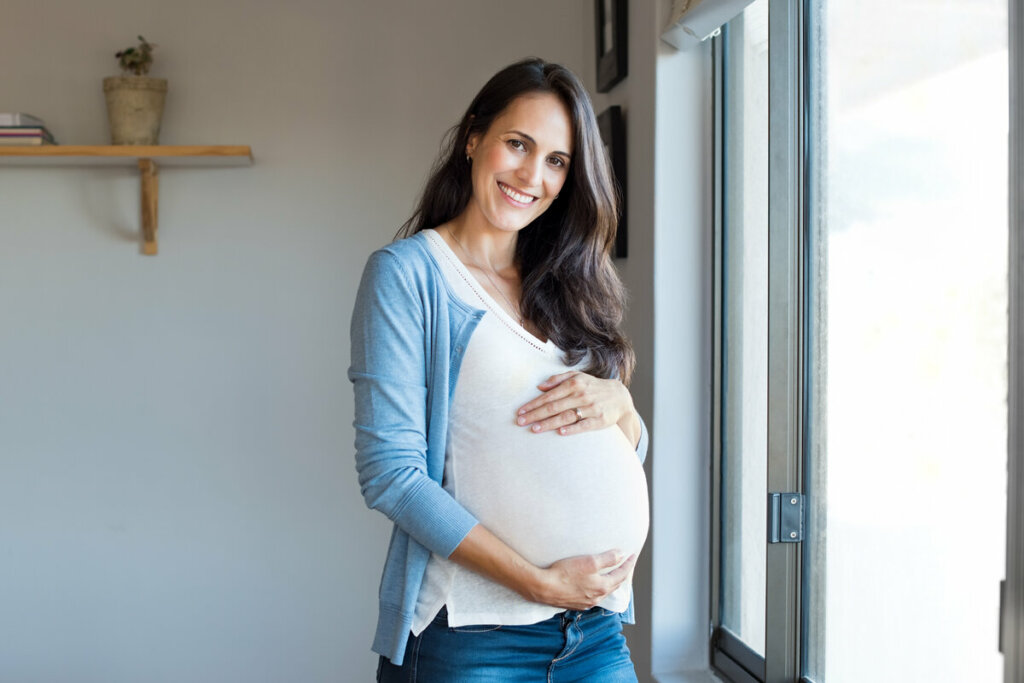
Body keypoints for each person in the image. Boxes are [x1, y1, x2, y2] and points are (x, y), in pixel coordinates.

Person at [350, 57, 650, 682]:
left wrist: (622, 407)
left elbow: (615, 450)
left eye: (556, 161)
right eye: (518, 144)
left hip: (593, 631)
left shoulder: (569, 285)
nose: (531, 175)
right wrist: (539, 582)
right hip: (473, 638)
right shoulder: (410, 275)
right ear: (473, 139)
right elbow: (393, 476)